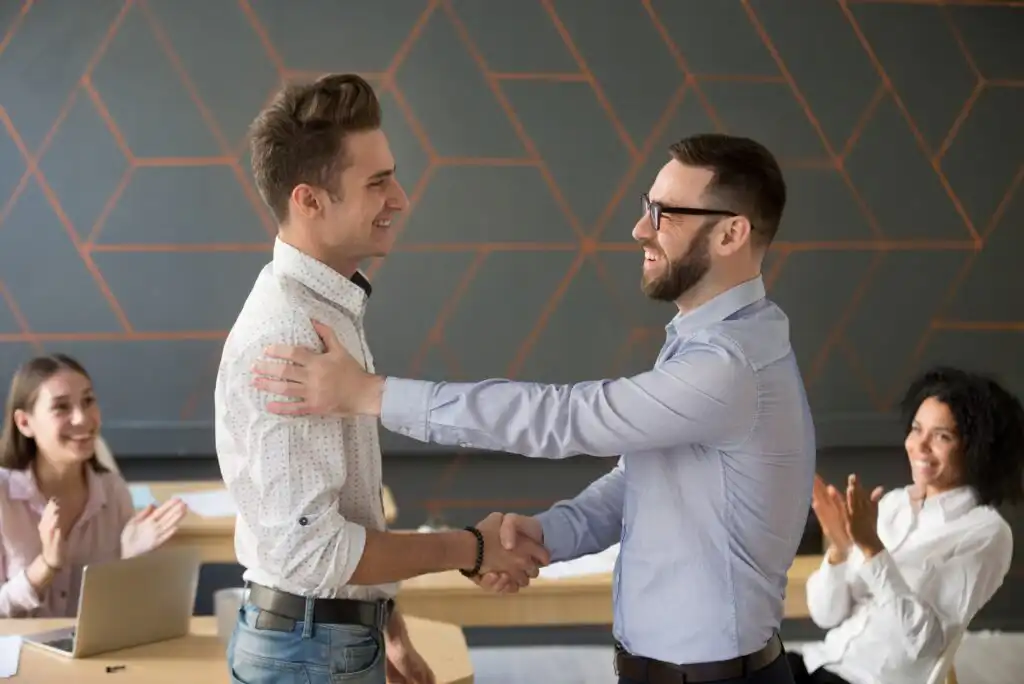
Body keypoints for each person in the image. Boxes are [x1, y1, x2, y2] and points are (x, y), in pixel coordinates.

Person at [250, 133, 816, 684]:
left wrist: (370, 394)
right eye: (648, 207)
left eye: (666, 214)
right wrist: (542, 535)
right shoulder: (714, 345)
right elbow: (642, 480)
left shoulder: (729, 366)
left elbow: (565, 419)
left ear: (731, 234)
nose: (641, 228)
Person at [214, 73, 549, 684]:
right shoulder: (290, 336)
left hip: (327, 640)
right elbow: (313, 551)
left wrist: (384, 628)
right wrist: (470, 548)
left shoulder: (326, 308)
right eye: (377, 183)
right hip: (310, 651)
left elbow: (340, 508)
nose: (400, 198)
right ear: (309, 200)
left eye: (391, 175)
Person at [788, 367, 1022, 684]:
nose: (919, 445)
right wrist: (840, 549)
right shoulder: (894, 503)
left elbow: (922, 645)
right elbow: (827, 615)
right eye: (916, 429)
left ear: (978, 449)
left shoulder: (986, 533)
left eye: (942, 436)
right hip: (821, 660)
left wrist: (872, 549)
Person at [0, 353, 187, 618]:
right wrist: (46, 567)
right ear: (24, 423)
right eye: (61, 407)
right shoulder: (4, 497)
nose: (82, 418)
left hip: (93, 656)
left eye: (88, 401)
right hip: (19, 655)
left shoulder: (113, 490)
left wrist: (130, 559)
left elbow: (125, 615)